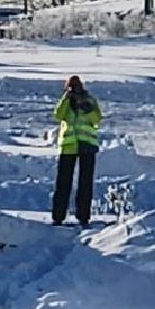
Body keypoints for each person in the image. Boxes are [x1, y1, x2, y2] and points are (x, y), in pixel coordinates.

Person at [51, 75, 102, 228]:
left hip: (87, 145)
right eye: (72, 88)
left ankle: (83, 216)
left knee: (85, 183)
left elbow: (97, 119)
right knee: (63, 183)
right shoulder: (65, 102)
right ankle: (58, 216)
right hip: (68, 147)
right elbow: (58, 115)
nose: (75, 90)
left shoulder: (90, 100)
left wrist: (87, 108)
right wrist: (66, 99)